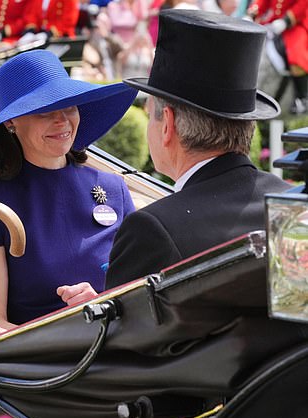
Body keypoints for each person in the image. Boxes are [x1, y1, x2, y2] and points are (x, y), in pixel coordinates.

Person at [104, 9, 292, 290]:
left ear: (167, 124)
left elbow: (120, 332)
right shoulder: (290, 203)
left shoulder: (151, 230)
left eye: (148, 110)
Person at [0, 49, 138, 330]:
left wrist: (101, 303)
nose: (62, 121)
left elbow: (142, 291)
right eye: (45, 111)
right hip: (40, 363)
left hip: (117, 343)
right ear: (11, 122)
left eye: (69, 107)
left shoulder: (114, 188)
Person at [247, 0, 308, 114]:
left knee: (296, 56)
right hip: (274, 23)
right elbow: (263, 1)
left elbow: (302, 4)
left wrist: (286, 21)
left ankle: (302, 98)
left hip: (296, 25)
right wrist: (252, 14)